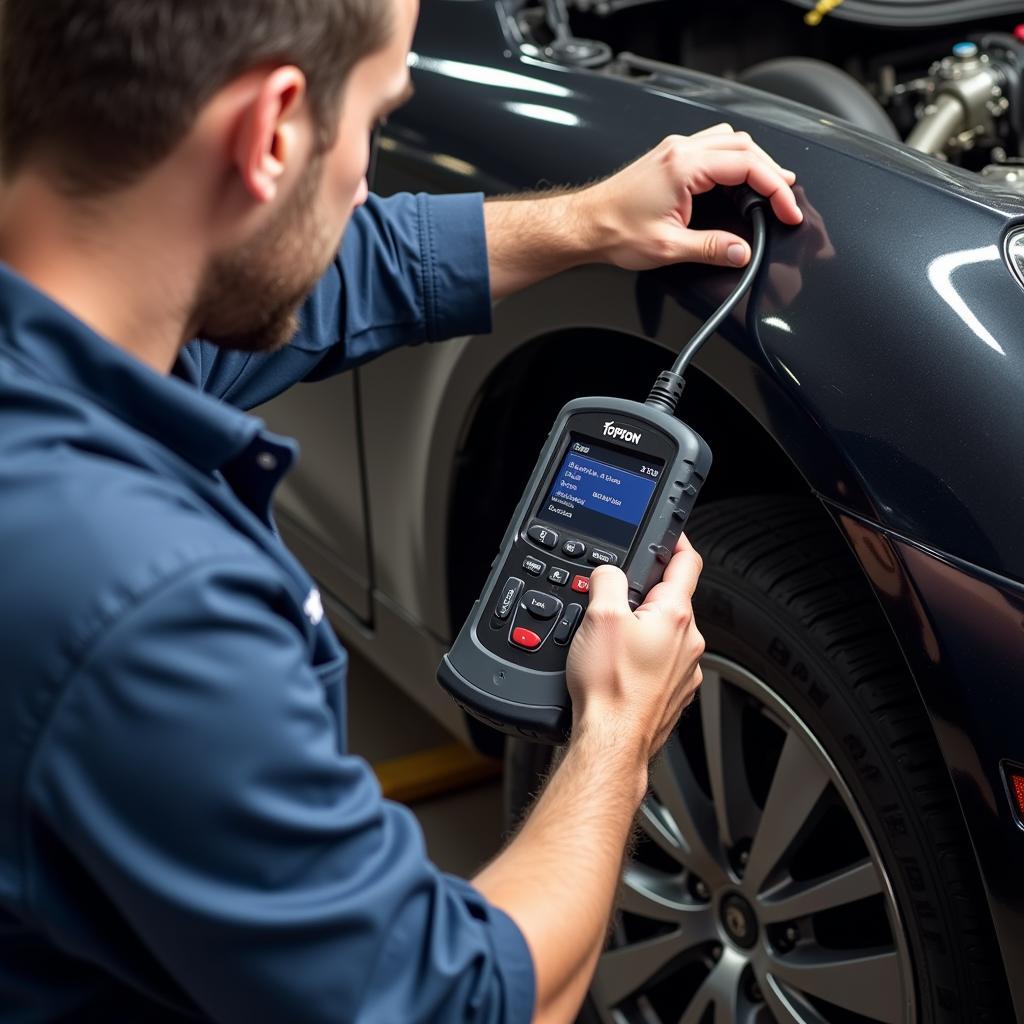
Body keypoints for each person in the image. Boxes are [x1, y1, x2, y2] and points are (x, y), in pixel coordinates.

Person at [0, 0, 802, 1020]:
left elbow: (322, 272)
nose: (367, 178)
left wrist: (591, 221)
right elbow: (457, 1003)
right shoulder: (149, 607)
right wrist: (615, 734)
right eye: (375, 117)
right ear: (274, 131)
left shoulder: (82, 314)